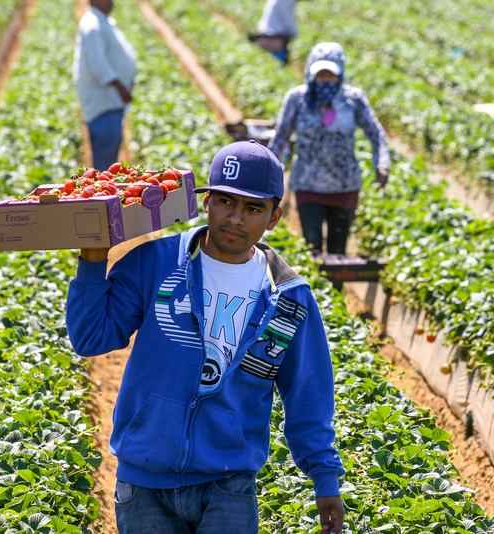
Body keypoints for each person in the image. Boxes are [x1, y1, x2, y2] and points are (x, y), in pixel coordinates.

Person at [66, 140, 345, 534]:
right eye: (226, 201)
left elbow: (308, 394)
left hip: (228, 482)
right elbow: (91, 338)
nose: (235, 218)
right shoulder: (157, 262)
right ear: (206, 201)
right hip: (145, 479)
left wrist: (324, 478)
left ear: (274, 217)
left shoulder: (287, 299)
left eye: (253, 208)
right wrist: (92, 261)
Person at [269, 42, 390, 256]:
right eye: (320, 75)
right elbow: (281, 138)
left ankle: (337, 277)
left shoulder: (353, 99)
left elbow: (375, 134)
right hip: (308, 184)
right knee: (312, 246)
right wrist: (268, 172)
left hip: (344, 186)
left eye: (331, 76)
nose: (326, 81)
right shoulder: (298, 99)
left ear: (340, 74)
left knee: (338, 251)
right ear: (310, 73)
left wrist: (382, 163)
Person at [73, 0, 136, 171]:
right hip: (103, 103)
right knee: (105, 160)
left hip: (110, 101)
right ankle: (102, 187)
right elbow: (98, 65)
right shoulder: (92, 26)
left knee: (109, 152)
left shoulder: (100, 21)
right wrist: (120, 87)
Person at [254, 0, 297, 65]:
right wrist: (294, 32)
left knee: (273, 62)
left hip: (269, 32)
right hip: (274, 35)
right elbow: (287, 16)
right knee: (281, 62)